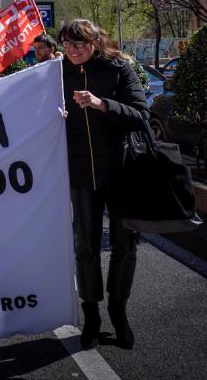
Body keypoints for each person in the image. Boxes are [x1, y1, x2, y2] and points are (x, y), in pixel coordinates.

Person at [59, 18, 149, 351]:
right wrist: (55, 117)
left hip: (123, 173)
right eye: (67, 45)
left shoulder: (119, 68)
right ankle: (92, 315)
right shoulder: (56, 74)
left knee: (126, 246)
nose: (73, 50)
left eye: (79, 44)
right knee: (86, 247)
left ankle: (118, 310)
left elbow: (141, 115)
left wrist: (102, 104)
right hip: (81, 175)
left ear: (96, 42)